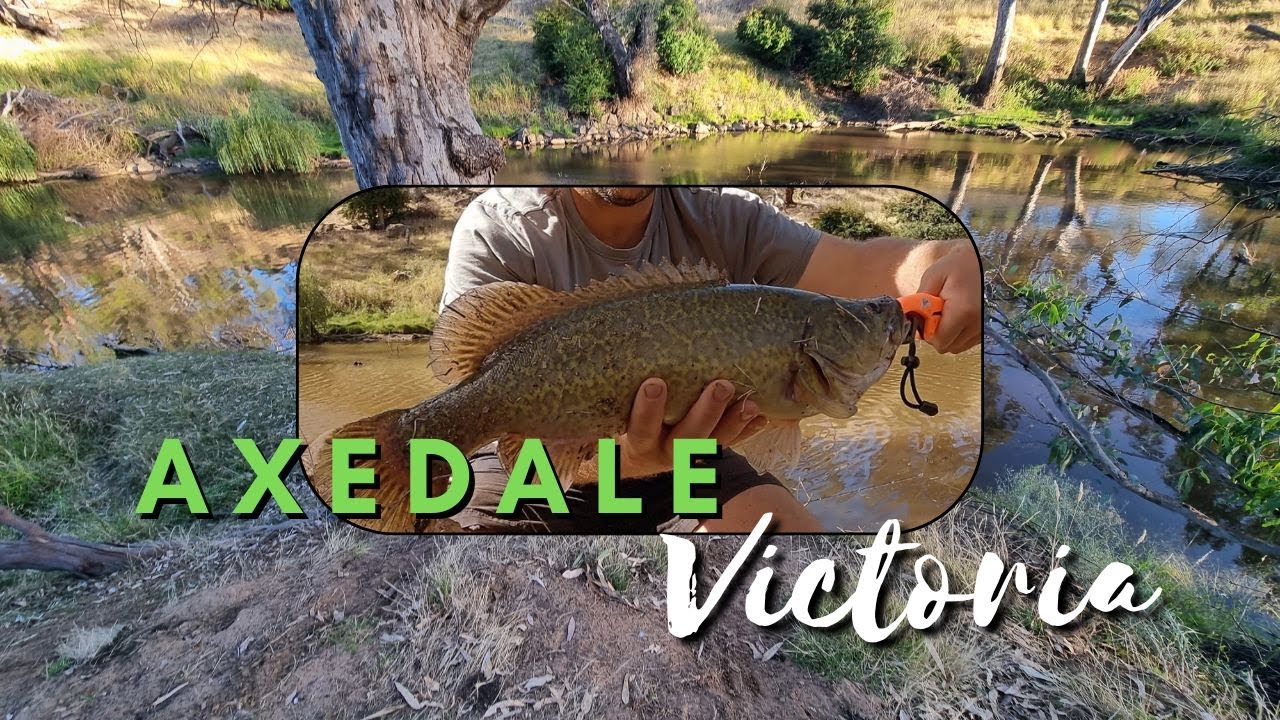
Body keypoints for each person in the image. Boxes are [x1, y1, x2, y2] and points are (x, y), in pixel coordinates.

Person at [440, 186, 982, 534]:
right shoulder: (500, 228)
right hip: (530, 467)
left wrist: (950, 263)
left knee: (801, 556)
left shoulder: (722, 213)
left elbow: (865, 267)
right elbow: (478, 393)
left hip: (692, 460)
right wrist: (628, 460)